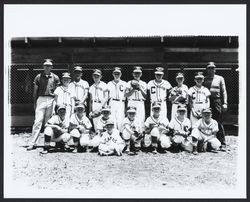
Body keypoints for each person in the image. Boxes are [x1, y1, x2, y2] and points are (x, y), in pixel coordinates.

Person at [27, 59, 60, 150]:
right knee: (38, 121)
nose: (47, 67)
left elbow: (58, 92)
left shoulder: (55, 77)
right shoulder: (38, 76)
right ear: (43, 66)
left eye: (49, 66)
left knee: (48, 123)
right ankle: (33, 143)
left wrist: (55, 104)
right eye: (46, 65)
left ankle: (47, 143)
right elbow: (35, 92)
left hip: (51, 99)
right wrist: (35, 103)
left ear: (52, 67)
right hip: (41, 99)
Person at [203, 62, 228, 151]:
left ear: (215, 69)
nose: (211, 70)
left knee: (218, 122)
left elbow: (224, 91)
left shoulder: (220, 78)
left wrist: (225, 103)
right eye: (209, 68)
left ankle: (223, 143)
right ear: (207, 69)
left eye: (212, 68)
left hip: (217, 101)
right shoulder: (204, 79)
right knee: (207, 121)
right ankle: (210, 143)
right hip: (207, 102)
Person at [125, 66, 147, 130]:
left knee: (141, 119)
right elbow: (126, 95)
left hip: (140, 102)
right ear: (133, 74)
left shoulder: (143, 83)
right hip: (131, 102)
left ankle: (140, 136)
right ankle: (130, 136)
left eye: (138, 73)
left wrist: (139, 87)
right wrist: (134, 88)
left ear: (141, 74)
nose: (137, 75)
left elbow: (145, 96)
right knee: (130, 120)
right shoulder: (129, 83)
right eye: (135, 73)